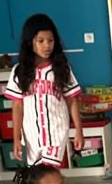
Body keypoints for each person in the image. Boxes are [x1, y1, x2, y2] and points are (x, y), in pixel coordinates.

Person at [6, 13, 83, 167]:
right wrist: (16, 138)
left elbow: (72, 100)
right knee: (39, 177)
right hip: (32, 135)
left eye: (50, 40)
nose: (47, 45)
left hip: (56, 131)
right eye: (40, 41)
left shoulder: (61, 69)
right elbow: (17, 106)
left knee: (47, 171)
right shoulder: (19, 71)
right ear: (30, 42)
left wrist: (79, 130)